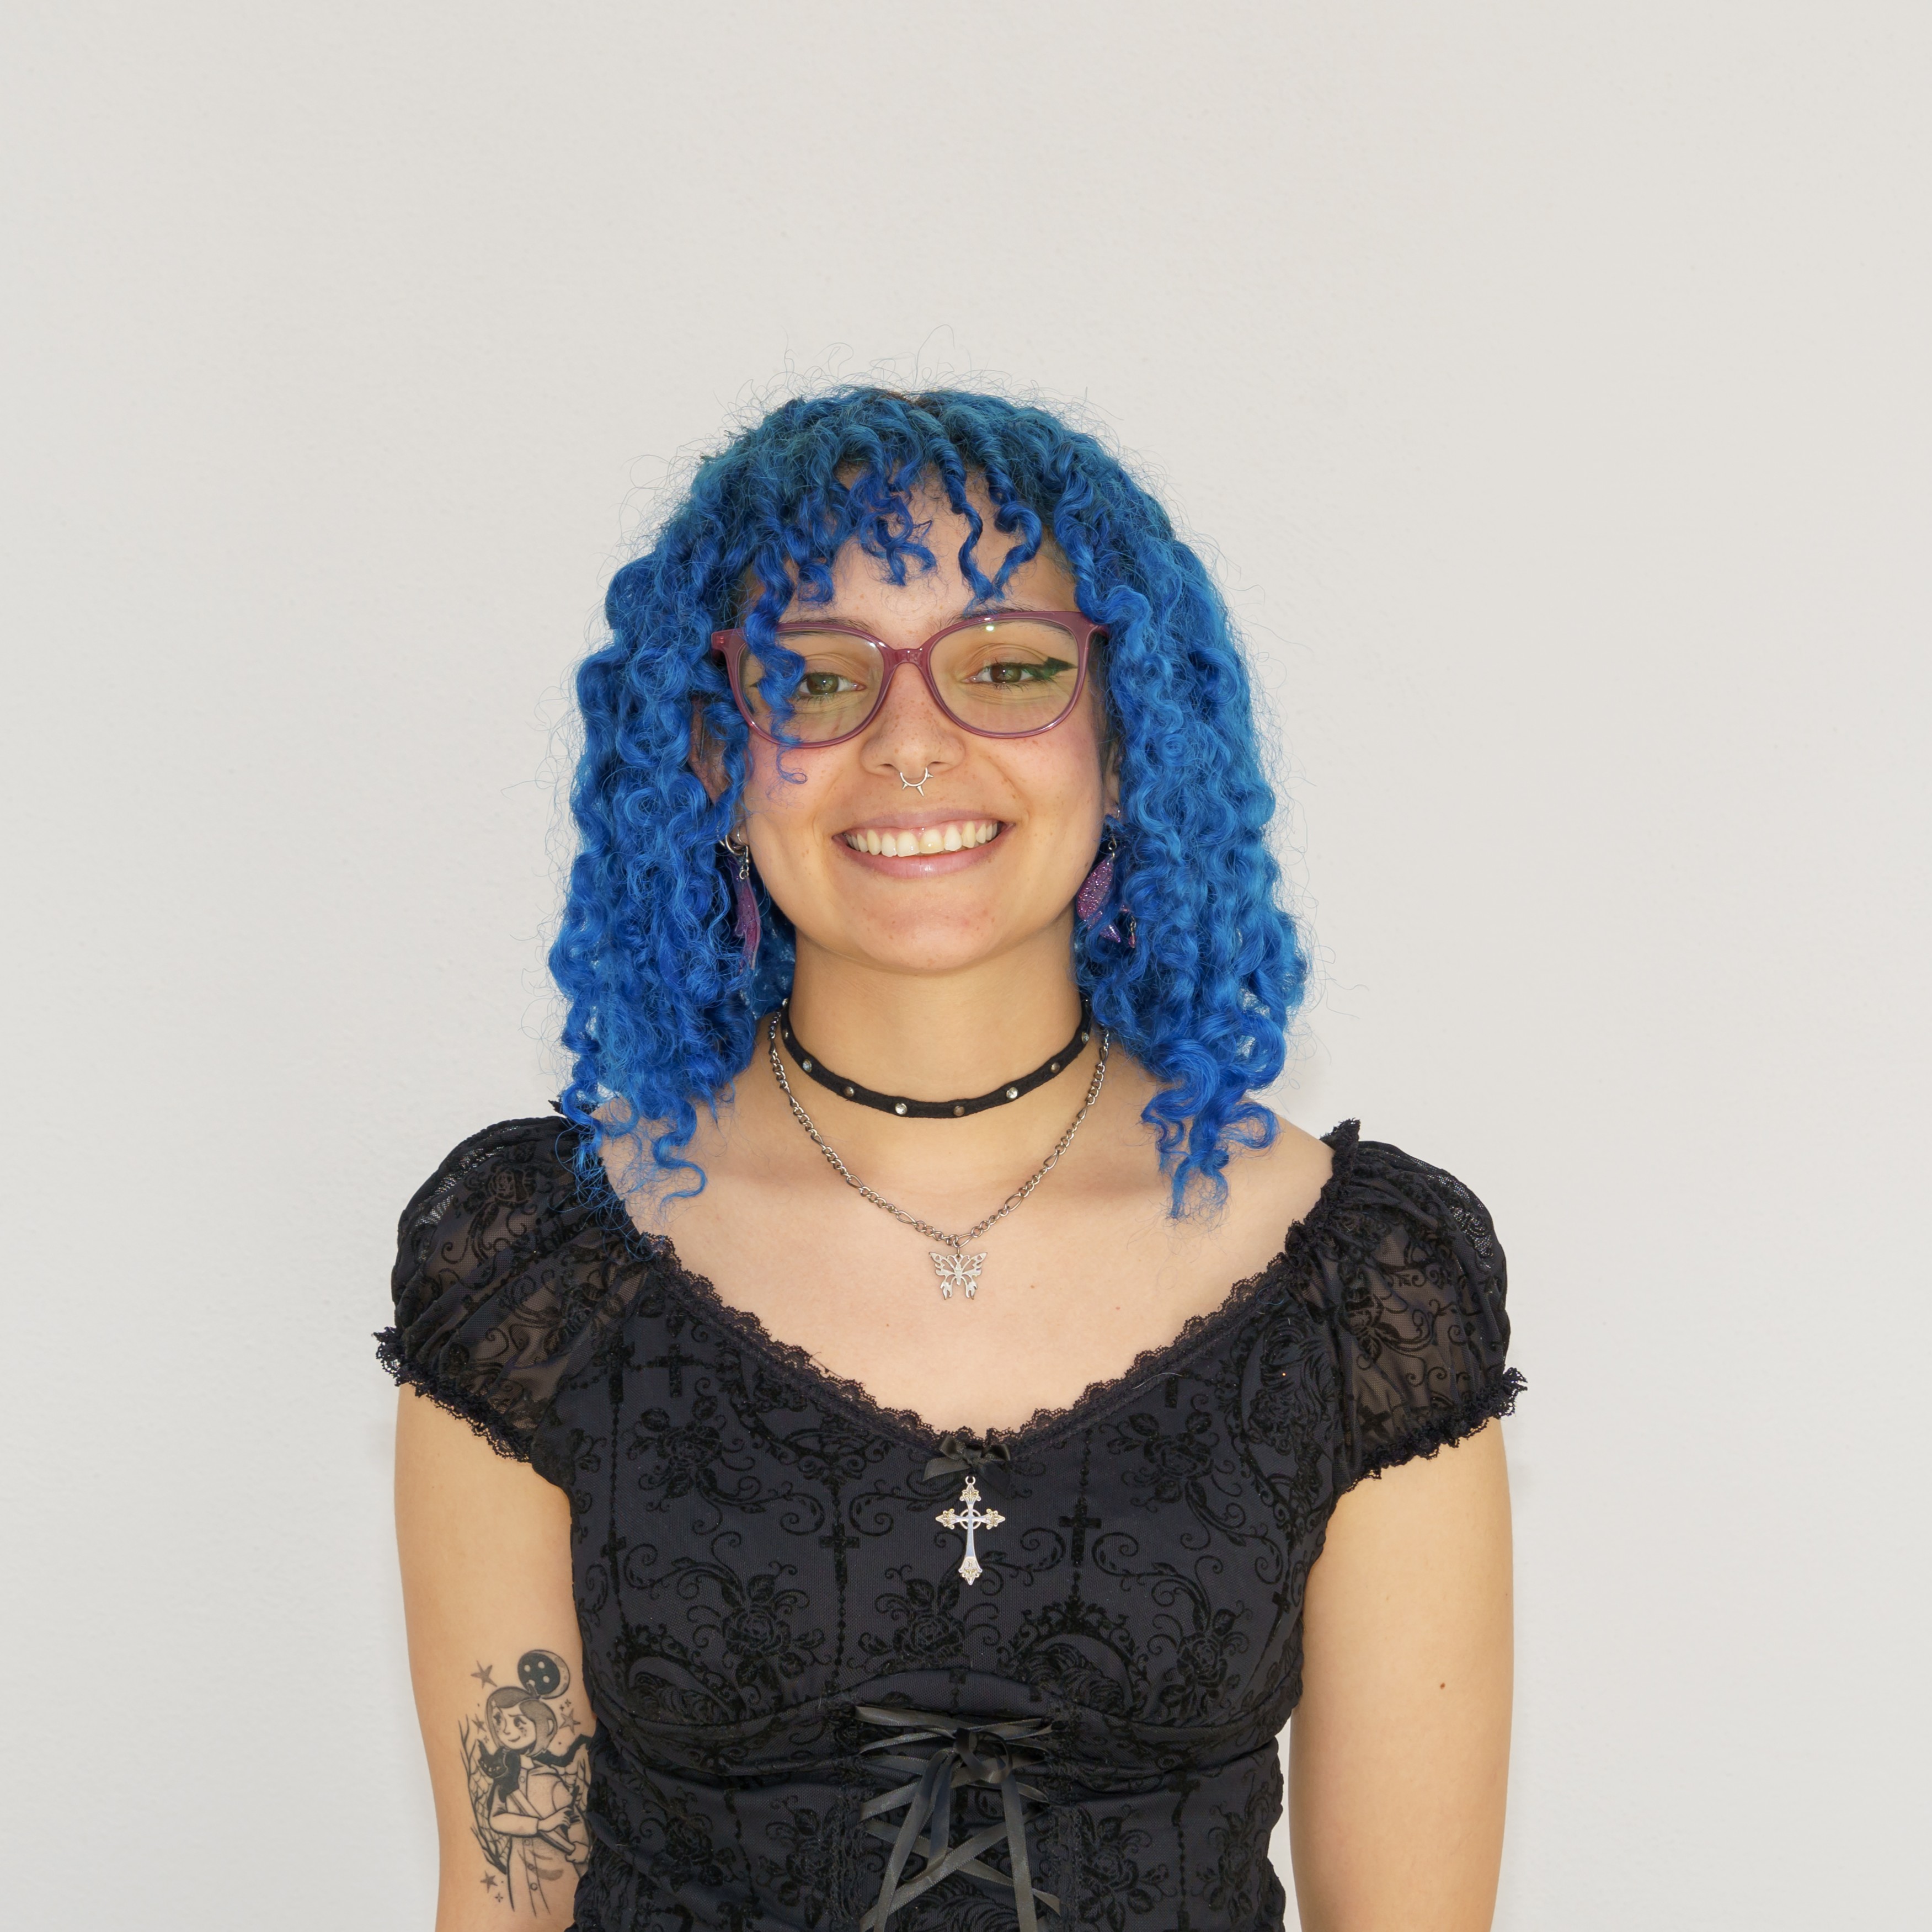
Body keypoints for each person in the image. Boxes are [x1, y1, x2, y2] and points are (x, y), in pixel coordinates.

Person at [382, 387, 1523, 1932]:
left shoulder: (1363, 1287)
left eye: (1010, 668)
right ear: (712, 756)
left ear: (1128, 735)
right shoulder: (532, 1268)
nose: (912, 745)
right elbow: (506, 1897)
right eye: (814, 679)